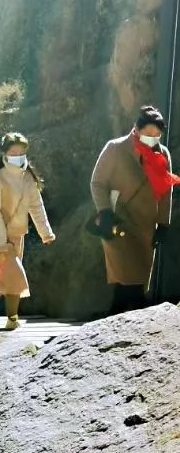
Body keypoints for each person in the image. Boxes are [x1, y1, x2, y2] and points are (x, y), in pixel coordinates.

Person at [90, 105, 179, 314]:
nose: (153, 138)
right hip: (116, 220)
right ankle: (137, 319)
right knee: (127, 277)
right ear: (136, 129)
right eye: (149, 133)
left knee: (133, 280)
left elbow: (166, 192)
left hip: (146, 225)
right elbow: (97, 182)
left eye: (157, 135)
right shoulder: (115, 148)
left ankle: (115, 320)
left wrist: (163, 224)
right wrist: (104, 211)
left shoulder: (162, 153)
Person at [0, 133, 55, 332]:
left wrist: (45, 232)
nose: (18, 155)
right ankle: (12, 320)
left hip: (17, 234)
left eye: (22, 152)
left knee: (3, 278)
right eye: (14, 152)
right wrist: (1, 243)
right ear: (4, 153)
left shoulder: (27, 178)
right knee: (14, 276)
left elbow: (36, 205)